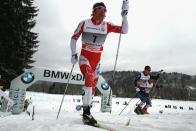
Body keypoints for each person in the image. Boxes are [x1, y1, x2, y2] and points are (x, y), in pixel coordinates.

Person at [70, 0, 129, 126]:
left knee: (93, 86)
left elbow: (124, 31)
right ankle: (86, 113)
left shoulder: (106, 26)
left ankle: (87, 107)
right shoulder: (84, 23)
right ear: (94, 10)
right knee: (89, 78)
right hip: (85, 58)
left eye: (105, 10)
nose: (103, 11)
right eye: (100, 9)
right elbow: (74, 38)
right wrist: (73, 54)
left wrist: (124, 15)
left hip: (97, 62)